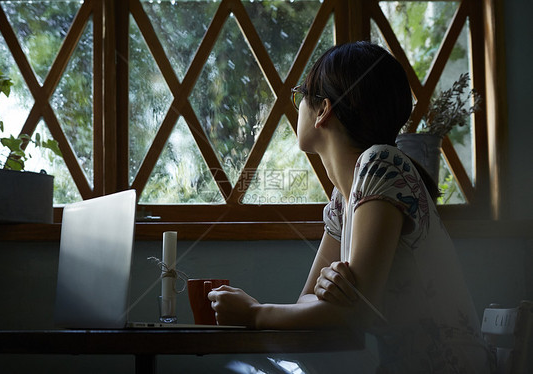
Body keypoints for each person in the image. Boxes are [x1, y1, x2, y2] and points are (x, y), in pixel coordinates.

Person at [208, 41, 494, 373]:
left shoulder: (381, 165)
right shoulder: (343, 199)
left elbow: (357, 312)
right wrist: (327, 292)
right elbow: (307, 302)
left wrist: (254, 314)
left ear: (323, 110)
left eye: (302, 95)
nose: (297, 106)